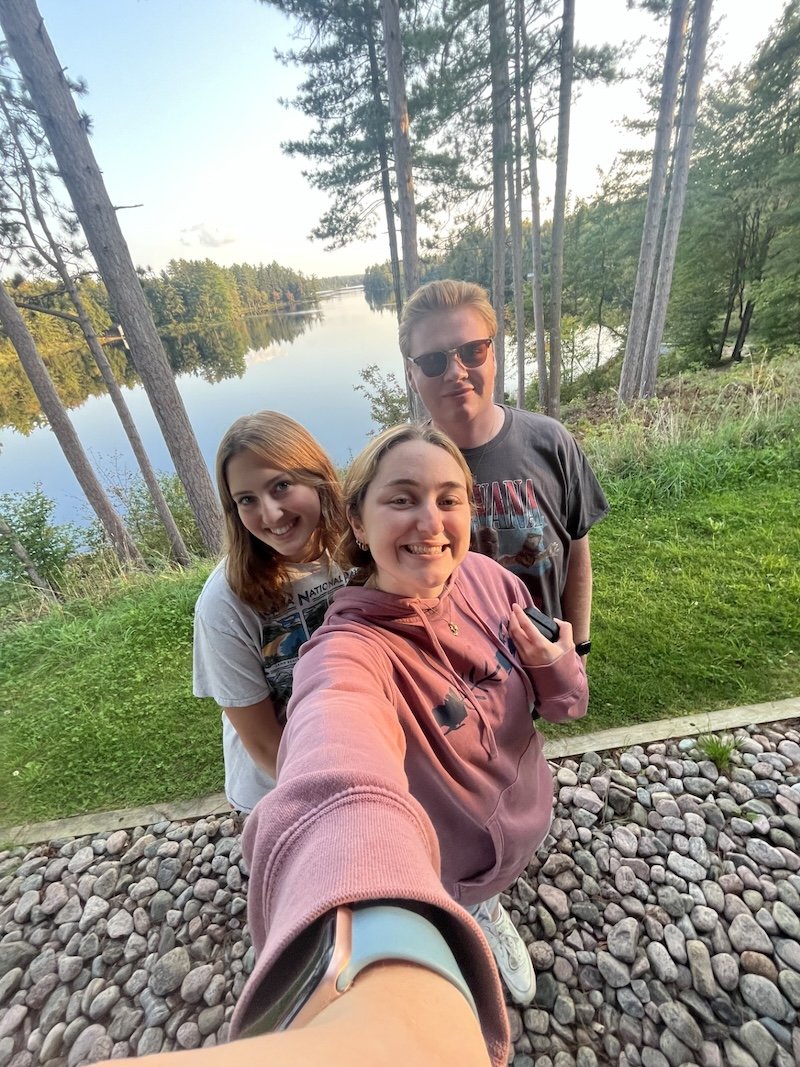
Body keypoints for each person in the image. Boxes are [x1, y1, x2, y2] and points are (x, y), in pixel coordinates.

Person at [231, 423, 588, 1039]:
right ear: (358, 524)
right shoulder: (347, 653)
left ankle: (488, 906)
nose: (430, 521)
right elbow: (334, 764)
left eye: (449, 499)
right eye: (401, 499)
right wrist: (357, 950)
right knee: (464, 905)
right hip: (445, 867)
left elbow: (565, 705)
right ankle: (467, 919)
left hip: (523, 819)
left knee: (491, 892)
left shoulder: (487, 577)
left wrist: (554, 662)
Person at [399, 279, 608, 653]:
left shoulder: (551, 442)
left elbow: (577, 552)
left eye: (472, 350)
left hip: (543, 661)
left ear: (494, 355)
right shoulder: (398, 470)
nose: (456, 371)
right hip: (451, 678)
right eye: (433, 361)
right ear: (412, 375)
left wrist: (577, 648)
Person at [193, 411, 347, 812]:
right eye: (247, 500)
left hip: (360, 753)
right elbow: (262, 741)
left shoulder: (357, 548)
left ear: (317, 477)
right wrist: (331, 802)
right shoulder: (225, 602)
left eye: (281, 486)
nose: (271, 515)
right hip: (283, 787)